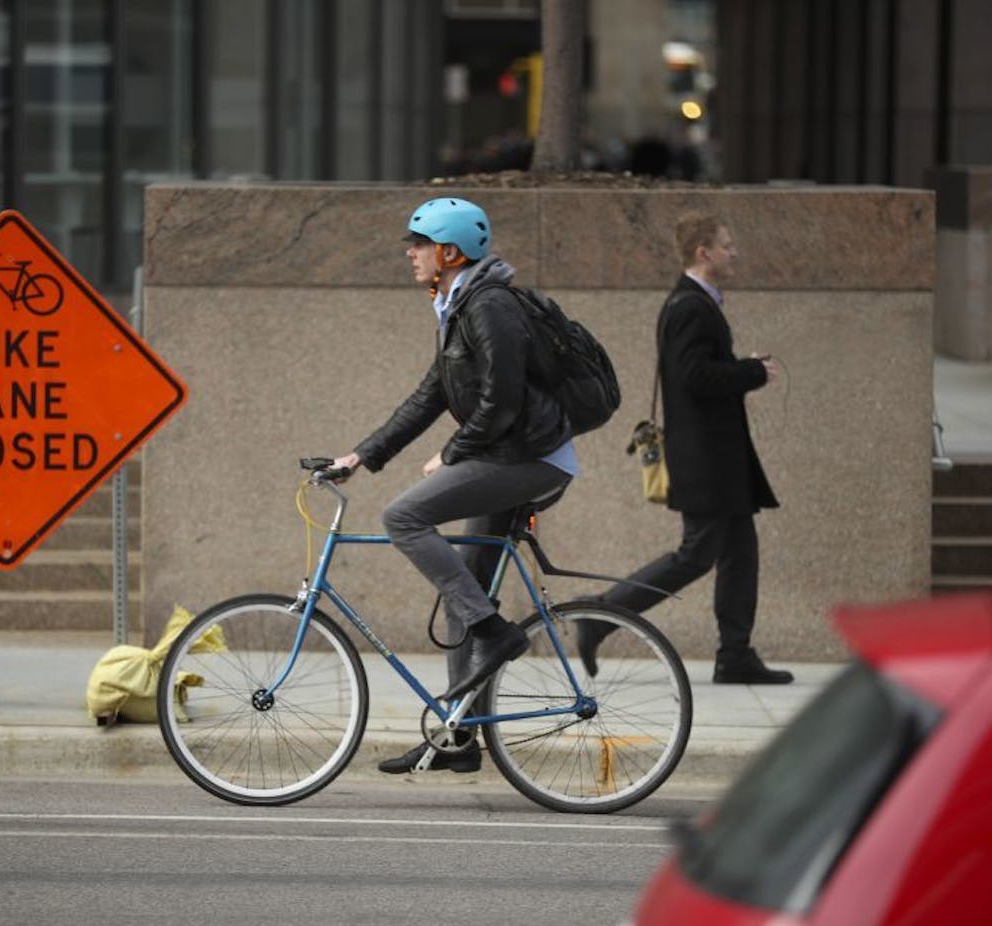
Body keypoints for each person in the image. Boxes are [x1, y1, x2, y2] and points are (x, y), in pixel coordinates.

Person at [330, 197, 577, 773]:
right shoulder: (456, 306)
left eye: (417, 244)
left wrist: (450, 454)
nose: (410, 254)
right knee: (461, 599)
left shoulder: (488, 306)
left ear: (449, 251)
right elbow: (431, 395)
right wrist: (363, 455)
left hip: (530, 459)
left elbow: (503, 399)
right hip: (509, 454)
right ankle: (460, 739)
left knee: (404, 518)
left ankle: (496, 632)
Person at [579, 212, 793, 685]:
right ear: (704, 253)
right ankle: (600, 617)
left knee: (741, 553)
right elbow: (693, 376)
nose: (734, 252)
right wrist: (751, 372)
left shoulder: (697, 304)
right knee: (696, 555)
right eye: (727, 244)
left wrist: (740, 368)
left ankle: (735, 655)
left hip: (721, 459)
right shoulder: (690, 307)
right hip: (707, 459)